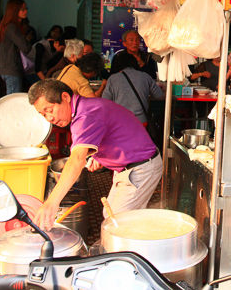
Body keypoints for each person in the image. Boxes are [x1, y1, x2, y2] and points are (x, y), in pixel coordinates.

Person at [29, 79, 162, 230]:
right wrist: (97, 156)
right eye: (43, 114)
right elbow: (113, 133)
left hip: (141, 169)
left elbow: (77, 158)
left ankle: (137, 251)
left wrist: (52, 202)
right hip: (128, 168)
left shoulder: (86, 115)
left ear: (65, 97)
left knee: (117, 224)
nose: (49, 118)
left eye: (50, 110)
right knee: (110, 214)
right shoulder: (84, 107)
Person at [103, 53, 162, 124]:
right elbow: (159, 95)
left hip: (120, 121)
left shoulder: (113, 78)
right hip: (141, 122)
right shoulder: (145, 76)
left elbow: (105, 100)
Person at [0, 0, 31, 94]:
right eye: (22, 9)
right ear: (14, 10)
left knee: (13, 97)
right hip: (11, 68)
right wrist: (27, 39)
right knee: (13, 100)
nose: (25, 11)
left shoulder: (7, 25)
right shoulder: (12, 26)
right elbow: (25, 47)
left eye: (26, 8)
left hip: (7, 67)